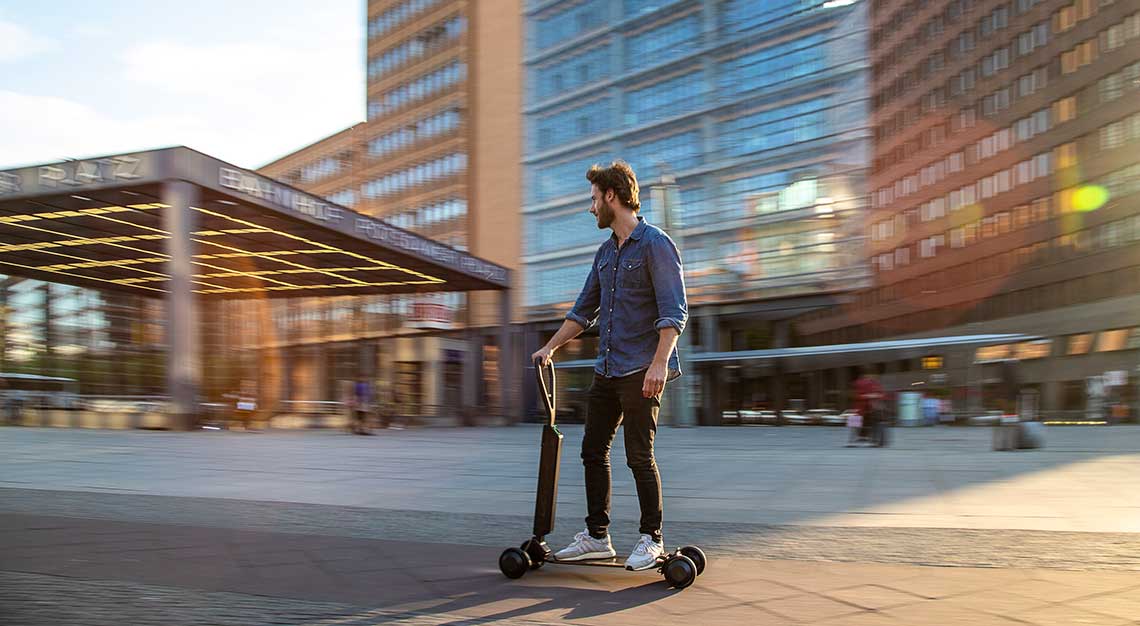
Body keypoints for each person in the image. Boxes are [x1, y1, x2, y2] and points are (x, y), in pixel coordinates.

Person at [530, 160, 688, 571]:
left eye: (594, 199)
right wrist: (549, 347)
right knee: (592, 451)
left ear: (612, 197)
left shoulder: (656, 244)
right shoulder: (605, 254)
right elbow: (583, 311)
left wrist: (659, 364)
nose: (591, 208)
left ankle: (651, 539)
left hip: (641, 369)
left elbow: (674, 312)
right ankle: (598, 536)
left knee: (639, 455)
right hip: (607, 368)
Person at [849, 367, 884, 446]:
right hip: (865, 407)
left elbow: (855, 395)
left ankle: (854, 440)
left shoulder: (860, 383)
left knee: (856, 422)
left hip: (865, 408)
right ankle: (858, 439)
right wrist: (870, 396)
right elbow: (881, 394)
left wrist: (869, 396)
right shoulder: (861, 383)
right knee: (857, 422)